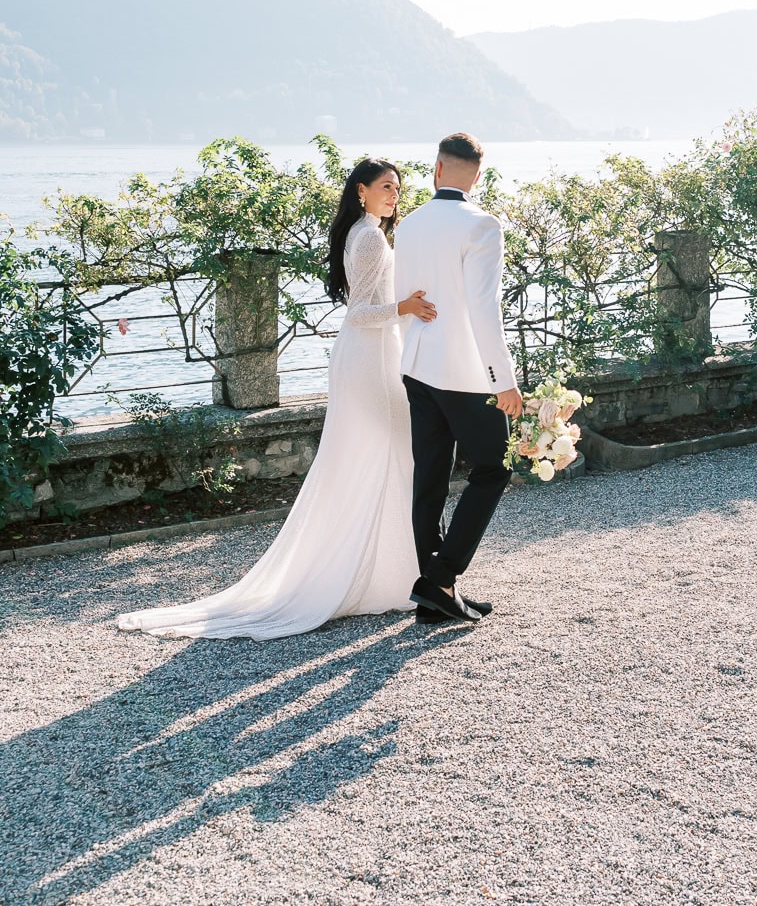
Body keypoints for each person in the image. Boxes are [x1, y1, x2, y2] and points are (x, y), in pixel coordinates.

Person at [116, 159, 435, 639]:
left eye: (398, 187)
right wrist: (405, 307)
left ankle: (383, 571)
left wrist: (404, 306)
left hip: (371, 356)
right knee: (387, 452)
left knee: (380, 456)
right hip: (368, 358)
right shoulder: (368, 237)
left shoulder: (367, 232)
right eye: (386, 187)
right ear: (362, 191)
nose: (394, 194)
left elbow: (372, 304)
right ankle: (368, 574)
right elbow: (361, 314)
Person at [394, 131, 523, 624]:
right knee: (493, 469)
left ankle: (438, 593)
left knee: (430, 477)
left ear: (438, 169)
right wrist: (503, 379)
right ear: (478, 175)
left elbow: (408, 295)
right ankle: (440, 579)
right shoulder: (482, 224)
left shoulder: (409, 223)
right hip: (467, 374)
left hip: (418, 365)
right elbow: (483, 308)